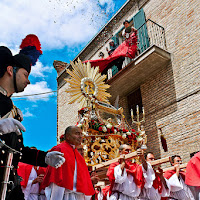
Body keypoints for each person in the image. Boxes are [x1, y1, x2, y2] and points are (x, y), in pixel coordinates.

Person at [0, 45, 65, 199]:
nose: (28, 81)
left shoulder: (13, 109)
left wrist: (45, 157)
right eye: (25, 74)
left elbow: (17, 151)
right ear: (11, 70)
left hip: (9, 187)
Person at [41, 126, 95, 200]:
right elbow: (55, 176)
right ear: (68, 136)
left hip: (78, 194)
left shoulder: (78, 155)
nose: (80, 137)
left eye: (81, 134)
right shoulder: (59, 149)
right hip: (63, 193)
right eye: (77, 134)